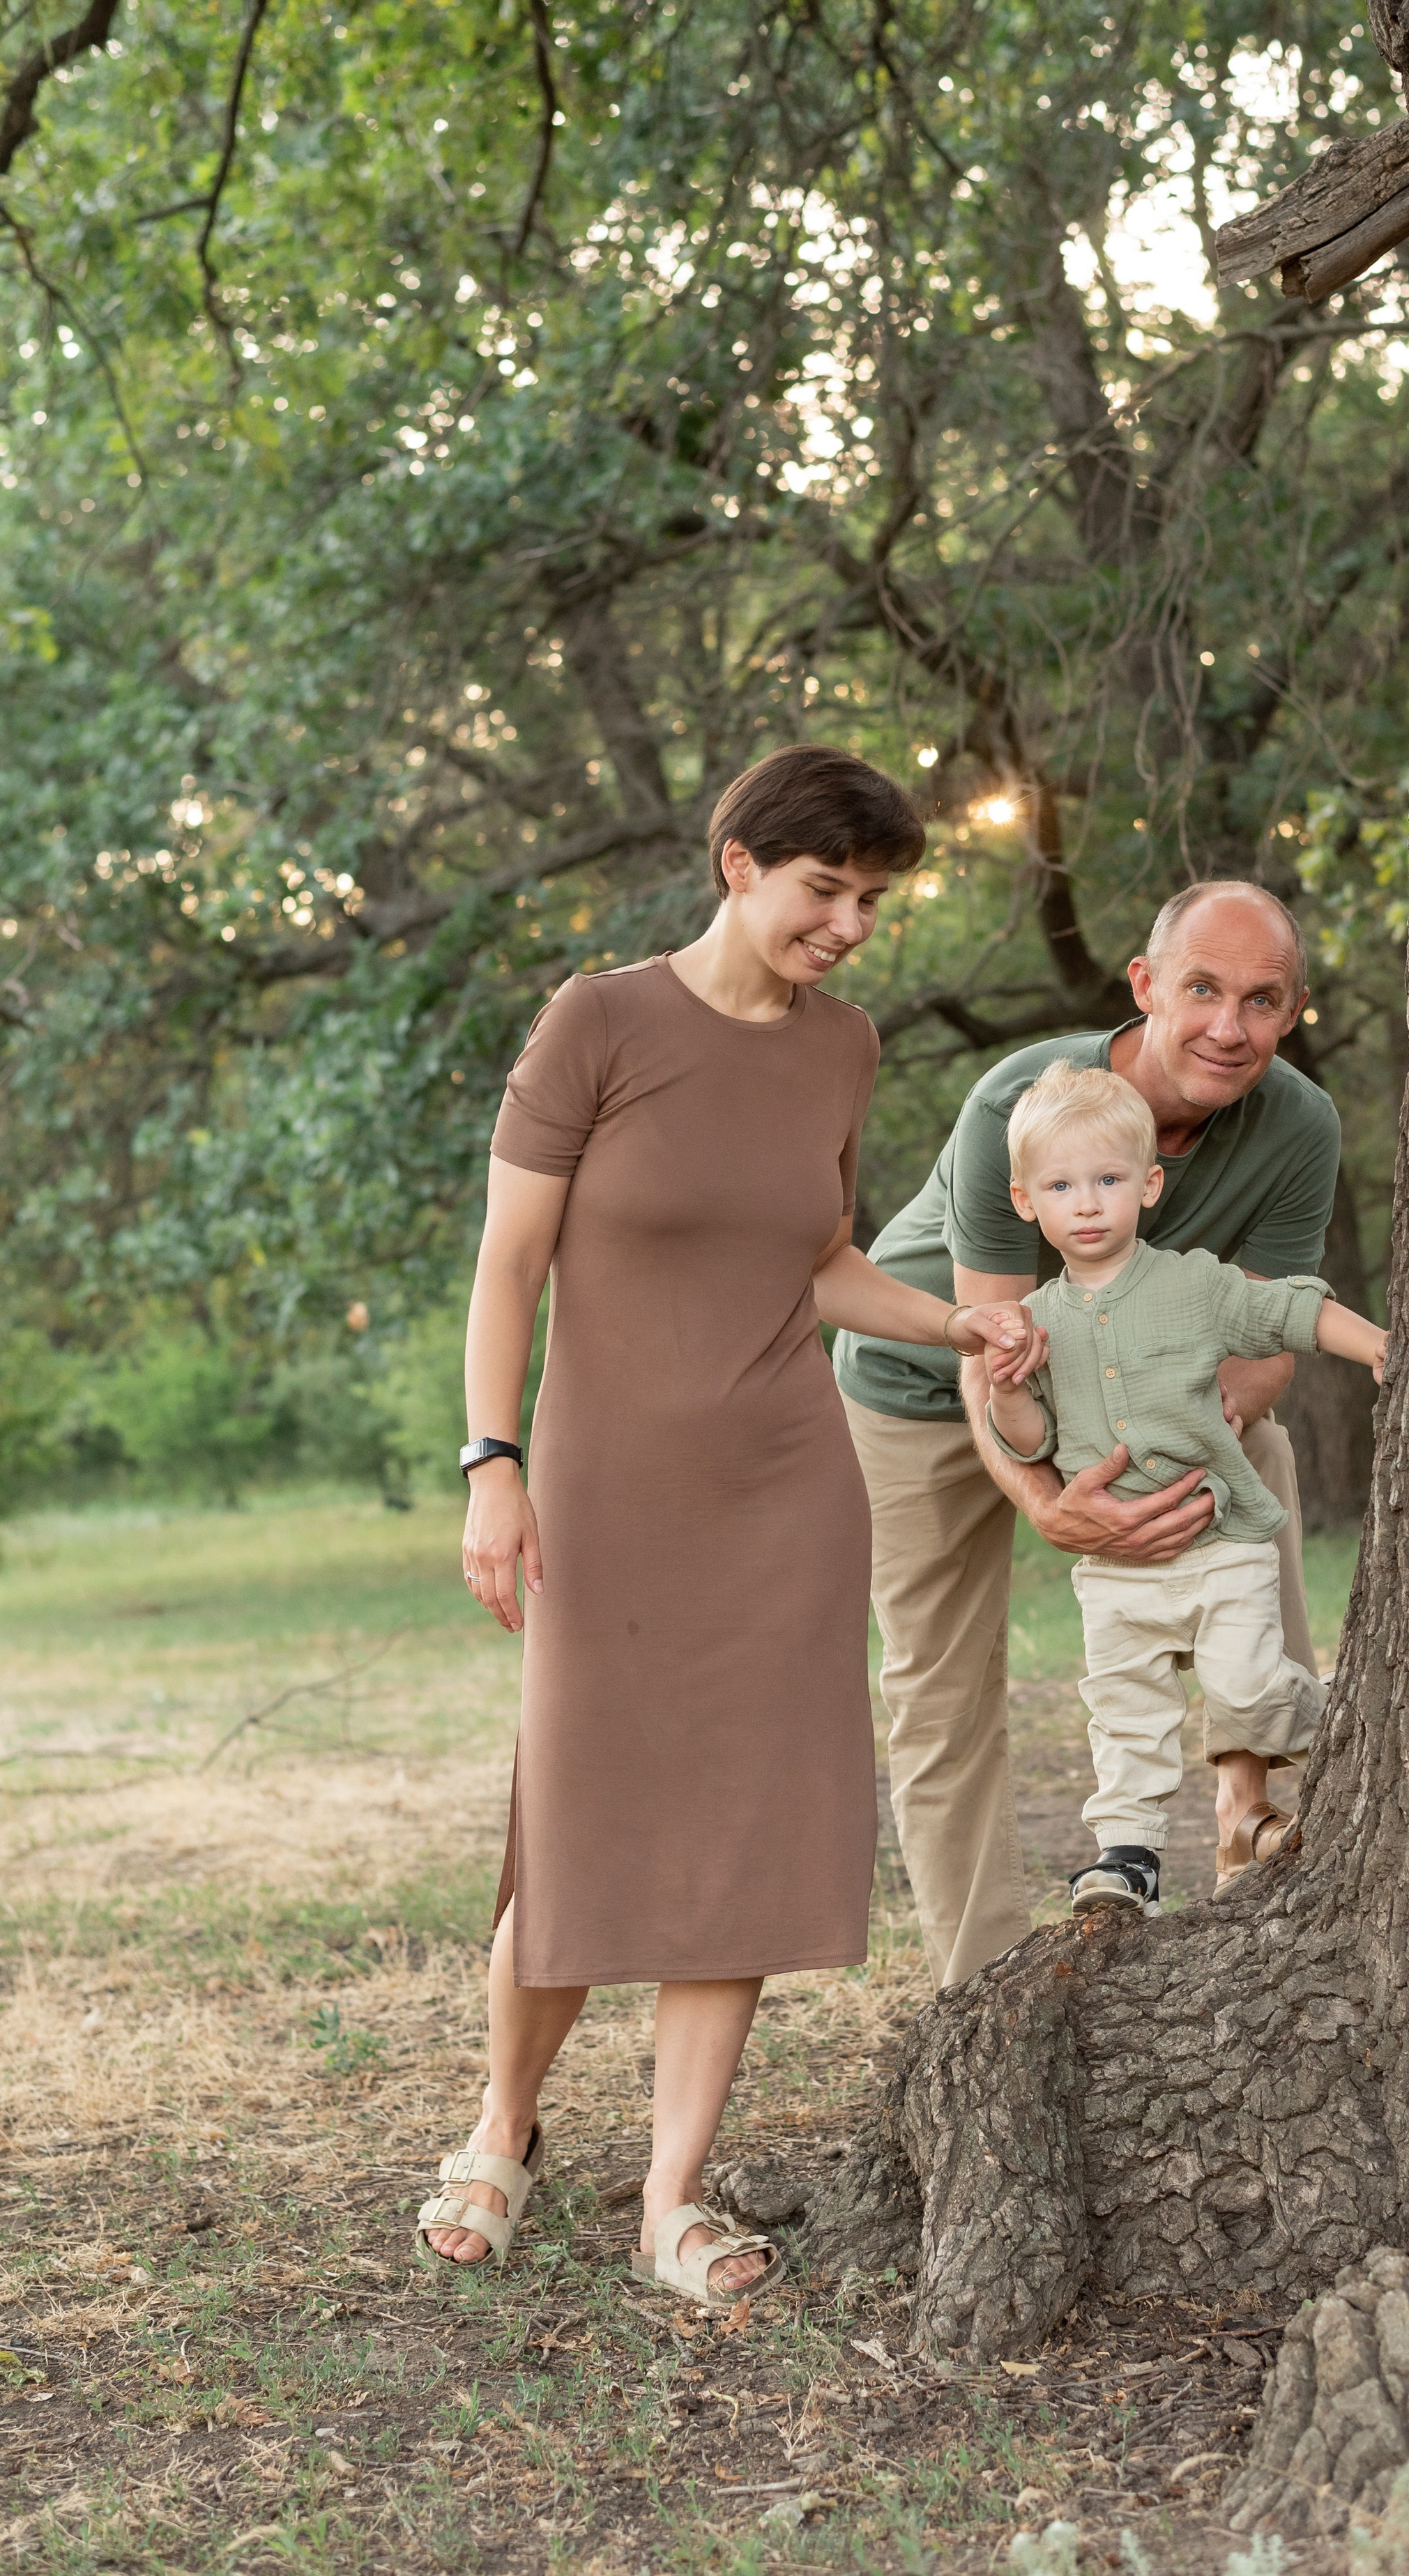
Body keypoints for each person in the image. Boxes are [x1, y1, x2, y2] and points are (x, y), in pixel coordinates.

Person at [416, 746, 1038, 2306]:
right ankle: (501, 2126)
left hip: (783, 1490)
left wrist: (943, 1324)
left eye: (872, 900)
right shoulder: (599, 1021)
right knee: (576, 1814)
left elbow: (812, 1256)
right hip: (606, 1489)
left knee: (744, 1836)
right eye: (825, 890)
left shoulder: (841, 1046)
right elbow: (508, 1266)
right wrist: (492, 1459)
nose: (848, 925)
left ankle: (673, 2200)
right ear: (739, 863)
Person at [833, 879, 1341, 1988]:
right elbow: (989, 1338)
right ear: (1146, 985)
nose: (1228, 1025)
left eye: (1262, 1000)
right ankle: (989, 1988)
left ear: (1292, 1011)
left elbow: (1260, 1347)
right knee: (940, 1685)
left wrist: (1192, 1438)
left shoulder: (1296, 1122)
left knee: (1260, 1458)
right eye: (1202, 988)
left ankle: (1252, 1815)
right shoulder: (1022, 1096)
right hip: (931, 1386)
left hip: (1137, 1391)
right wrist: (1046, 1502)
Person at [982, 1061, 1386, 1906]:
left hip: (1220, 1542)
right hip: (1115, 1571)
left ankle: (1336, 1715)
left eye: (1107, 1179)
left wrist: (1378, 1344)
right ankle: (1128, 1854)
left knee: (1242, 1691)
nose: (1086, 1202)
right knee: (1125, 1711)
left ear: (1149, 1185)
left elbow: (1290, 1312)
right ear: (1027, 1202)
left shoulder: (1194, 1284)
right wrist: (1009, 1385)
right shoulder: (1035, 1322)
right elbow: (1031, 1438)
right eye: (1061, 1185)